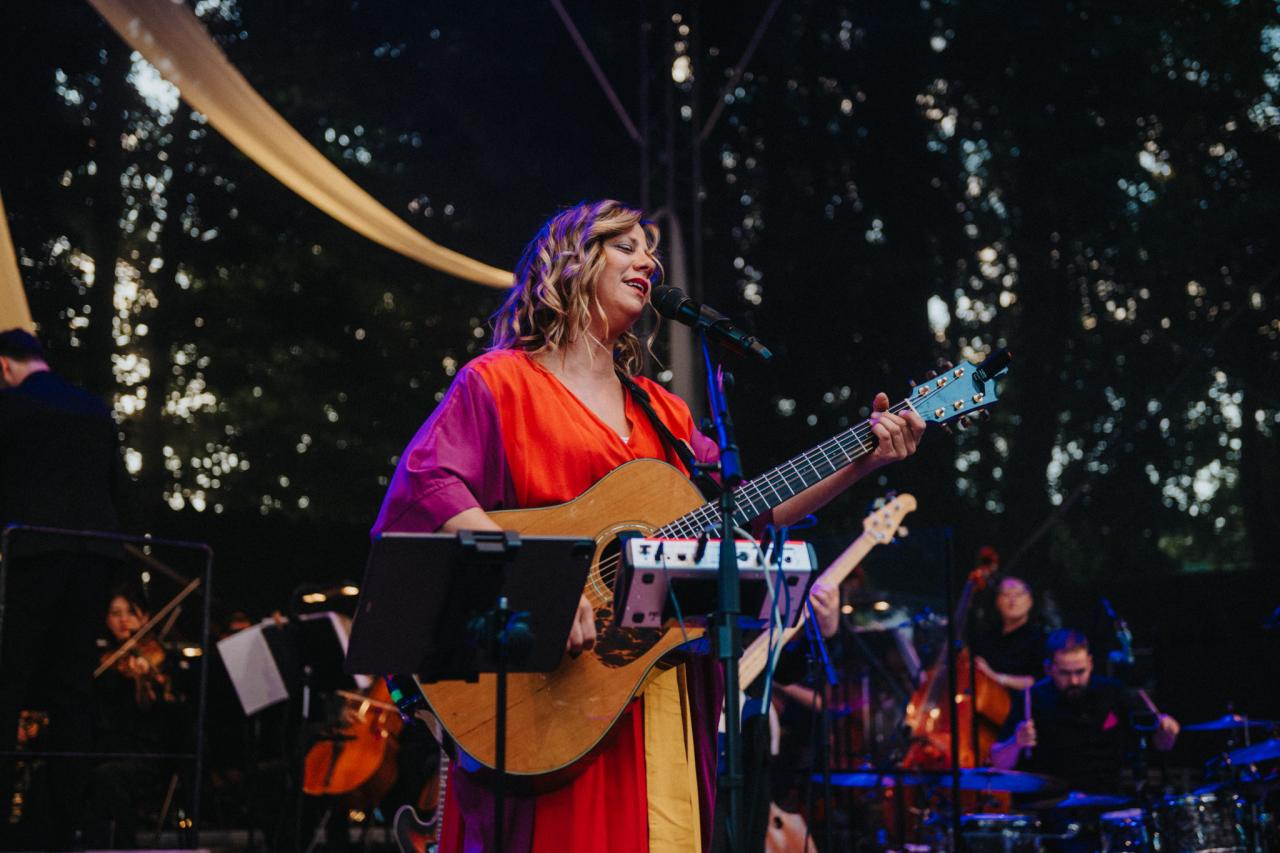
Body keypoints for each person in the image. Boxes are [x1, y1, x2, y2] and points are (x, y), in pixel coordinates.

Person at [372, 200, 925, 853]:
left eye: (651, 250)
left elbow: (748, 509)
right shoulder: (499, 382)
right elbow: (428, 487)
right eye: (626, 245)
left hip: (654, 690)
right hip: (543, 692)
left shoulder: (664, 411)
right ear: (572, 260)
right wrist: (534, 581)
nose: (649, 263)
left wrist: (865, 459)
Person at [0, 328, 121, 849]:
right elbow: (116, 489)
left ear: (4, 366)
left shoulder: (11, 407)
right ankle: (62, 821)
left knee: (9, 680)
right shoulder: (95, 408)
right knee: (72, 687)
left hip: (34, 551)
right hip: (95, 554)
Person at [990, 628, 1180, 793]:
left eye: (1080, 672)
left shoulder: (1112, 692)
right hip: (1050, 805)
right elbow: (998, 762)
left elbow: (1161, 744)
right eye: (1064, 673)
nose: (1073, 681)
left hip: (1108, 800)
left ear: (1090, 663)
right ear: (1049, 668)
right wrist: (1016, 742)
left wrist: (1167, 730)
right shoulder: (1032, 699)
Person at [86, 589, 180, 849]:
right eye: (115, 613)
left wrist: (143, 682)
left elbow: (150, 709)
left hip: (144, 757)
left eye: (131, 612)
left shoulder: (157, 657)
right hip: (106, 749)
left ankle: (125, 846)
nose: (123, 620)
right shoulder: (103, 660)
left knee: (108, 776)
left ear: (145, 617)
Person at [973, 575, 1046, 694]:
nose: (1013, 601)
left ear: (1030, 601)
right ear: (997, 601)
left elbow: (1037, 680)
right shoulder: (985, 637)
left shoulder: (1039, 639)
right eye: (1006, 595)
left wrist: (995, 677)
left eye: (1019, 595)